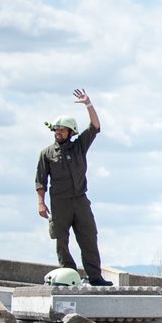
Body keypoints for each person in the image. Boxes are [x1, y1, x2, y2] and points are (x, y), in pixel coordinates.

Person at [34, 88, 108, 286]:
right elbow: (41, 180)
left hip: (80, 200)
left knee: (89, 237)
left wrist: (88, 104)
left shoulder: (79, 147)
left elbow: (95, 126)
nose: (58, 133)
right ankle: (70, 277)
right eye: (56, 130)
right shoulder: (46, 153)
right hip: (60, 203)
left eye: (62, 130)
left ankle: (95, 277)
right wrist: (41, 203)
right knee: (61, 241)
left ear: (70, 132)